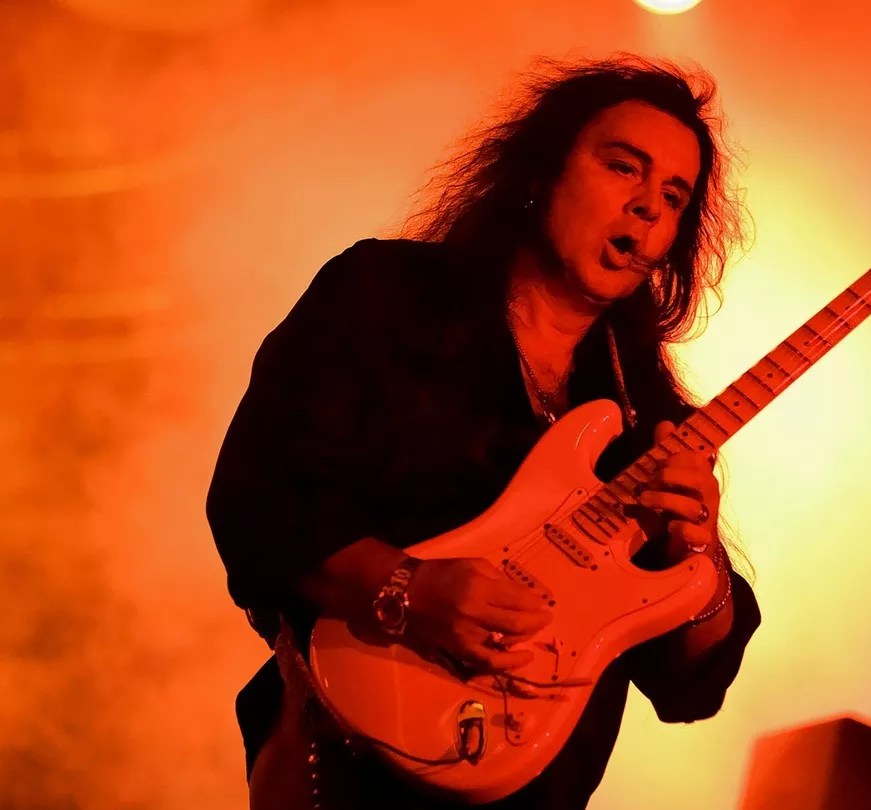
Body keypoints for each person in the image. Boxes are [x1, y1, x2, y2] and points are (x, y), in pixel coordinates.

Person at [206, 55, 761, 810]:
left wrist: (696, 548)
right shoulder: (384, 296)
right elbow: (258, 500)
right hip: (348, 764)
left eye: (673, 196)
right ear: (541, 172)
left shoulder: (647, 421)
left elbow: (691, 685)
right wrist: (409, 588)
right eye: (622, 167)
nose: (647, 208)